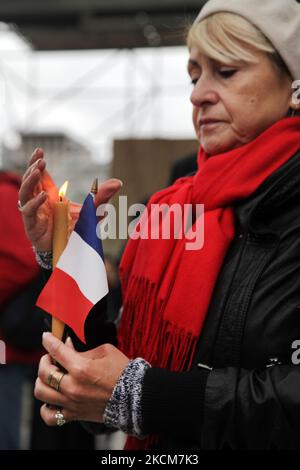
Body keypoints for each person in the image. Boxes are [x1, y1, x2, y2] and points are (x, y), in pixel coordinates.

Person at [19, 0, 300, 450]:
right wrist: (69, 257)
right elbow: (111, 376)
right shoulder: (170, 208)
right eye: (194, 76)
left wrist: (148, 397)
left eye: (225, 71)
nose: (198, 94)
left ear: (294, 85)